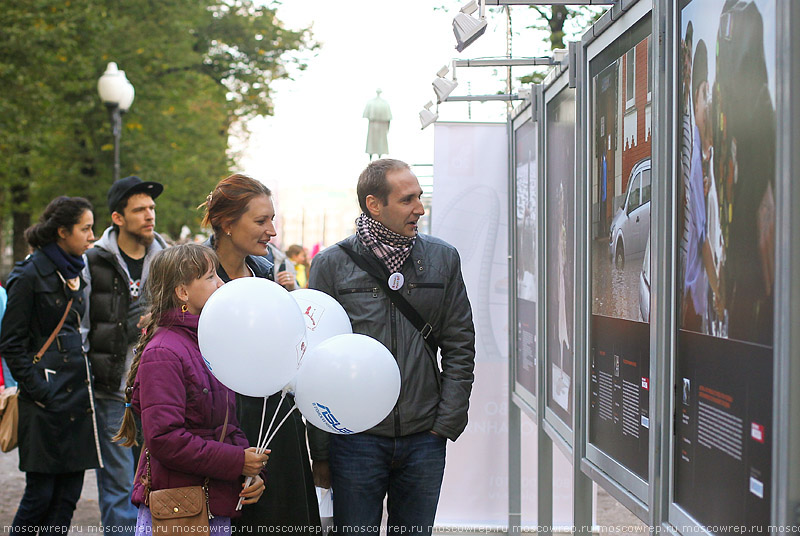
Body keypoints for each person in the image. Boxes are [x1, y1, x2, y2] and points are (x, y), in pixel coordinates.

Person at [308, 158, 476, 536]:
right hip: (355, 441)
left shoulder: (442, 259)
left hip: (424, 438)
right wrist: (322, 449)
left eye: (419, 197)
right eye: (407, 200)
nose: (419, 208)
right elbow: (313, 364)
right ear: (374, 205)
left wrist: (444, 423)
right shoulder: (331, 265)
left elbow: (460, 343)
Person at [113, 244, 268, 531]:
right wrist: (237, 461)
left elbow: (226, 424)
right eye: (210, 277)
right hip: (180, 510)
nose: (221, 283)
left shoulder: (206, 345)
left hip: (213, 501)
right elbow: (165, 439)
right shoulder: (164, 351)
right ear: (183, 293)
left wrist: (251, 471)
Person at [199, 174, 320, 534]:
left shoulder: (269, 275)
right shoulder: (195, 276)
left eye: (273, 220)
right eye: (261, 221)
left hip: (275, 425)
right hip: (221, 429)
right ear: (227, 223)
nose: (272, 231)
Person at [0, 196, 102, 533]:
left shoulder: (74, 271)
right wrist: (41, 391)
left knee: (68, 497)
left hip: (75, 400)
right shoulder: (29, 275)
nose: (92, 235)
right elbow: (11, 344)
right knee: (39, 497)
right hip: (44, 403)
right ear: (62, 231)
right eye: (85, 228)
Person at [82, 175, 168, 534]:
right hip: (109, 392)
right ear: (118, 218)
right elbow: (82, 324)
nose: (150, 215)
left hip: (157, 391)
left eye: (151, 208)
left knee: (155, 483)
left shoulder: (167, 258)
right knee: (117, 489)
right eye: (139, 209)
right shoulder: (92, 261)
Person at [682, 40, 723, 333]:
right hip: (693, 302)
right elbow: (702, 239)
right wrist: (720, 293)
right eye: (703, 94)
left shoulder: (705, 154)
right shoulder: (693, 150)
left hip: (697, 301)